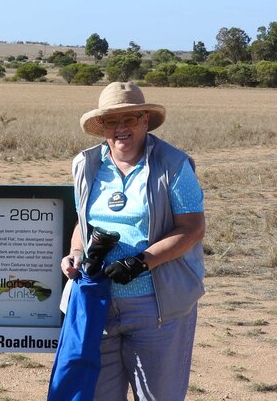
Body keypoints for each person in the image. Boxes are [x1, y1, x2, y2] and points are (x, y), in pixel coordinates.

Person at [59, 81, 206, 400]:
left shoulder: (173, 165)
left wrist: (143, 261)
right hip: (97, 301)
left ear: (145, 120)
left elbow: (192, 228)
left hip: (156, 306)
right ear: (102, 127)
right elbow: (83, 224)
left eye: (130, 118)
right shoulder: (86, 165)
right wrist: (75, 253)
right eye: (112, 120)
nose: (121, 127)